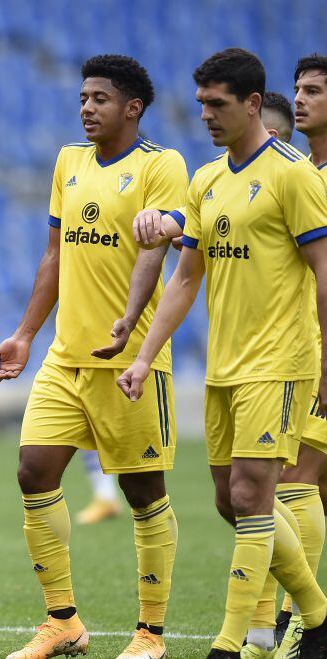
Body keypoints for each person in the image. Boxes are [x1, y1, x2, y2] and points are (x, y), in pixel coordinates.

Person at [119, 48, 327, 658]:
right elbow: (186, 278)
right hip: (223, 365)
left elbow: (323, 273)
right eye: (201, 103)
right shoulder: (206, 179)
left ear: (253, 104)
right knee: (226, 499)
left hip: (280, 361)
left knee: (252, 495)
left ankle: (232, 643)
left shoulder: (294, 175)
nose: (205, 114)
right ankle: (317, 615)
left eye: (218, 104)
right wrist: (142, 354)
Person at [0, 54, 187, 659]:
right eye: (82, 97)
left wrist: (131, 321)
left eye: (99, 98)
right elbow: (54, 253)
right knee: (33, 471)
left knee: (142, 490)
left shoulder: (162, 165)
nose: (86, 107)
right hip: (65, 357)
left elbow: (162, 247)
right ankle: (63, 622)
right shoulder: (68, 161)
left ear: (131, 107)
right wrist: (25, 333)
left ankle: (150, 632)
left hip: (131, 362)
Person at [245, 55, 327, 659]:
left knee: (293, 481)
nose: (299, 99)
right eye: (297, 89)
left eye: (314, 91)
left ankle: (303, 621)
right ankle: (286, 620)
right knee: (288, 484)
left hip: (316, 353)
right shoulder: (302, 173)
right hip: (297, 349)